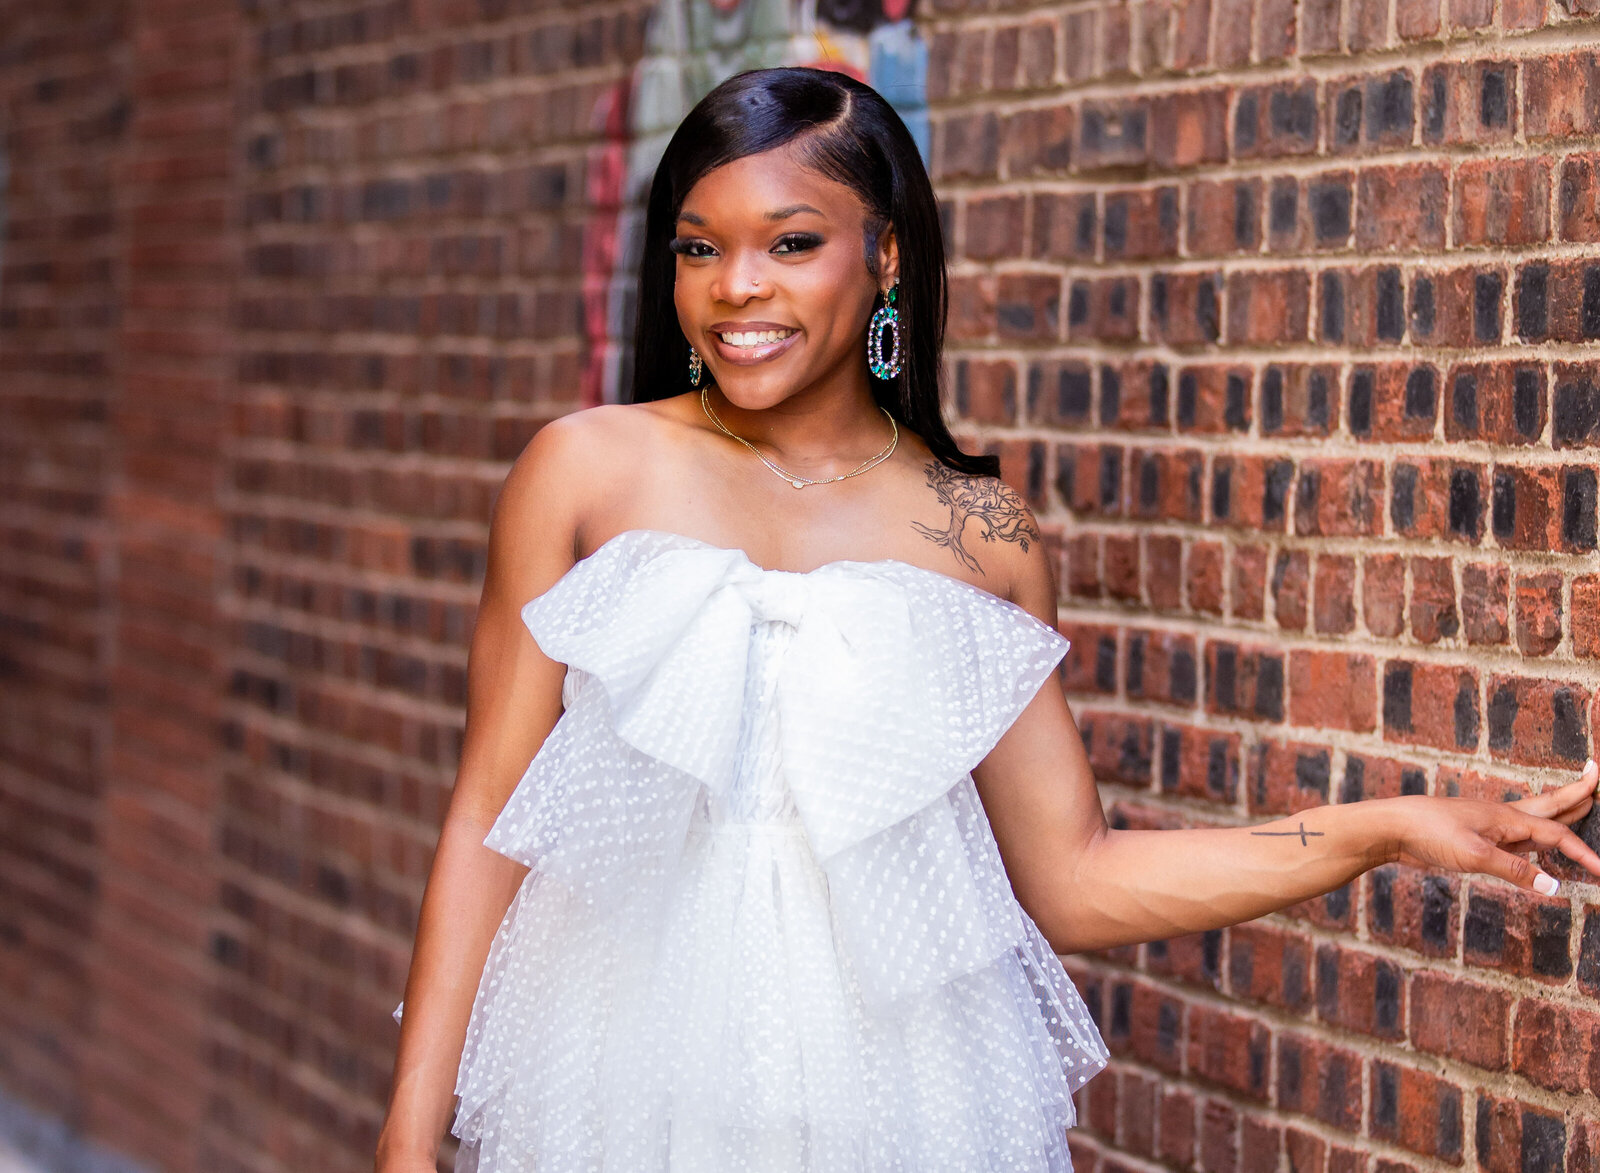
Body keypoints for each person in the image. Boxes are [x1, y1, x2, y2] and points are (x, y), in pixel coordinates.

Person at [374, 66, 1600, 1173]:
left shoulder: (980, 536)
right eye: (700, 250)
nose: (736, 289)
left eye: (791, 243)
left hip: (896, 1107)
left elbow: (1073, 883)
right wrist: (407, 1128)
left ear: (887, 256)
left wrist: (1380, 829)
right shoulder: (582, 472)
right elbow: (491, 811)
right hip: (614, 1084)